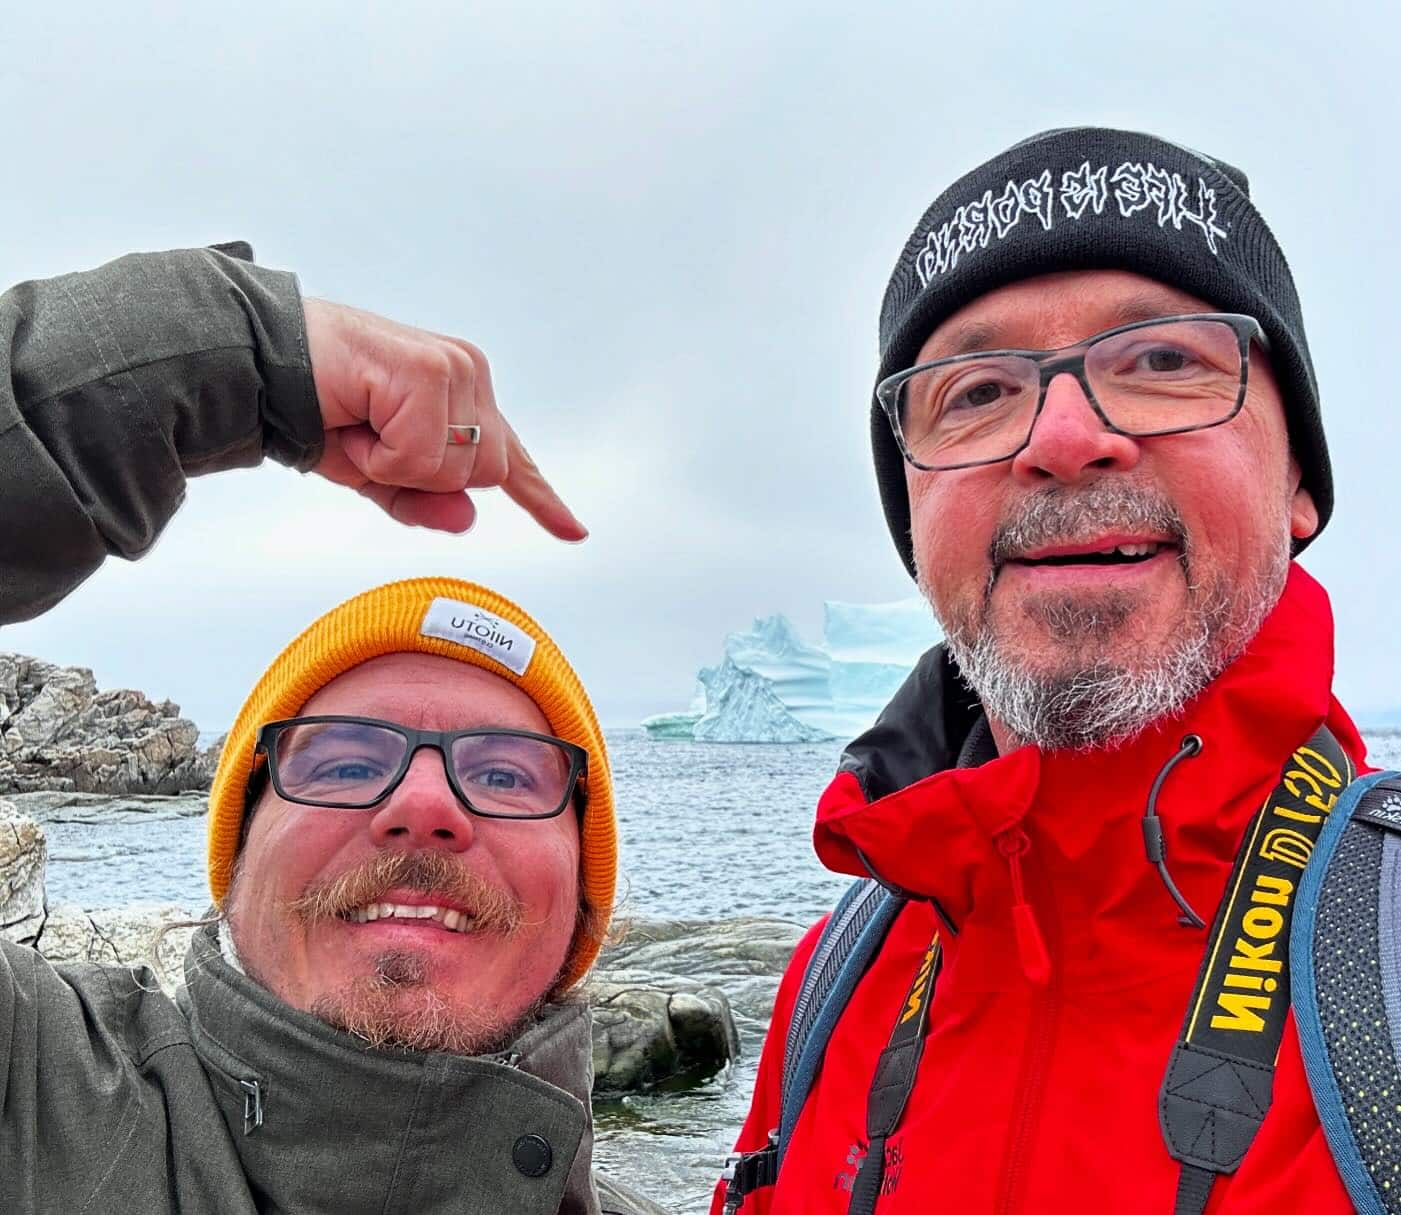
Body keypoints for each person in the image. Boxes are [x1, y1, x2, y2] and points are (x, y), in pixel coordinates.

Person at [716, 128, 1371, 1212]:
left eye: (1165, 360)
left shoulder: (1383, 984)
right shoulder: (836, 984)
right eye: (976, 391)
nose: (1064, 438)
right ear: (916, 518)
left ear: (1299, 477)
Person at [0, 243, 666, 1214]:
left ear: (583, 906)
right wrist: (236, 354)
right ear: (236, 852)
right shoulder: (35, 1100)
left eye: (509, 775)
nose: (425, 805)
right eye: (349, 763)